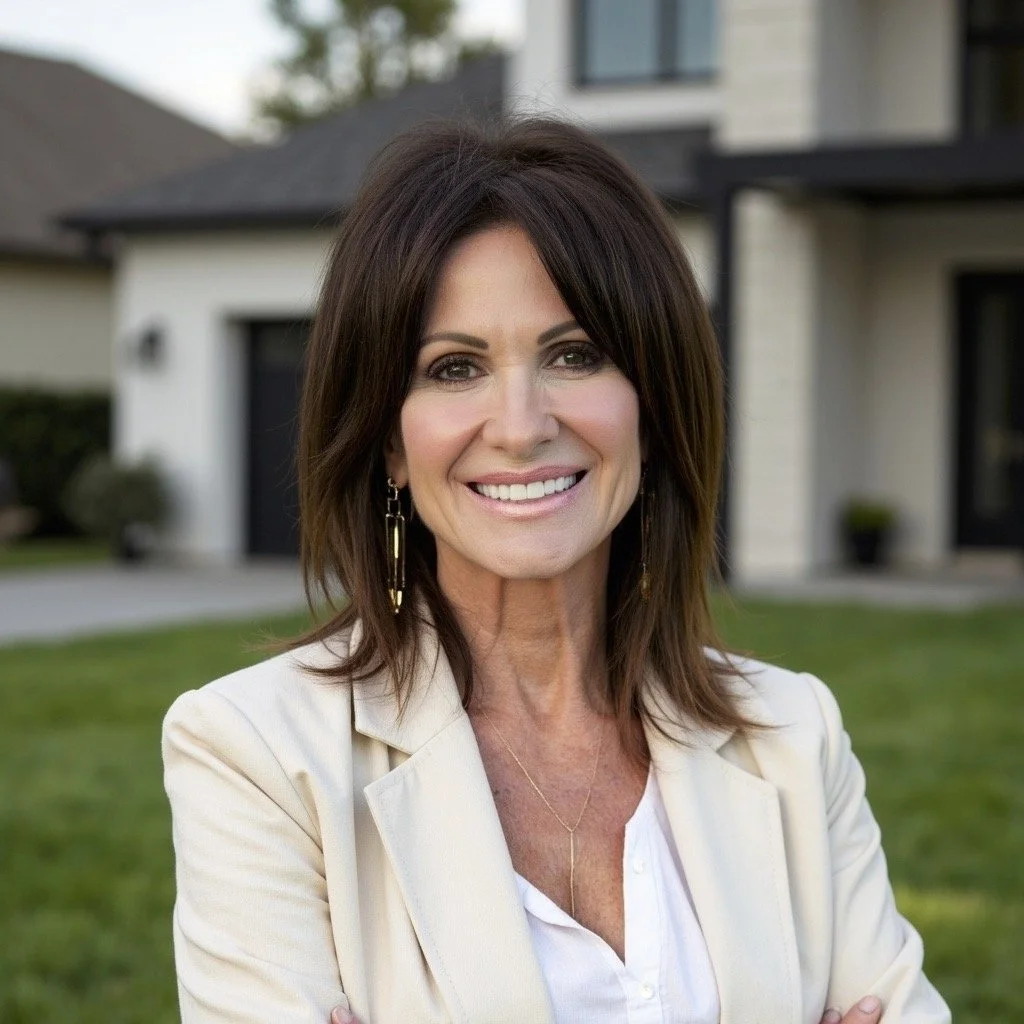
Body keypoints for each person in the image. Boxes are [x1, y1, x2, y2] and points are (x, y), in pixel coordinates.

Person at [162, 117, 951, 1024]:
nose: (520, 423)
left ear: (650, 406)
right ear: (388, 437)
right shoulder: (254, 752)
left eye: (575, 355)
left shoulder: (793, 735)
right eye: (453, 368)